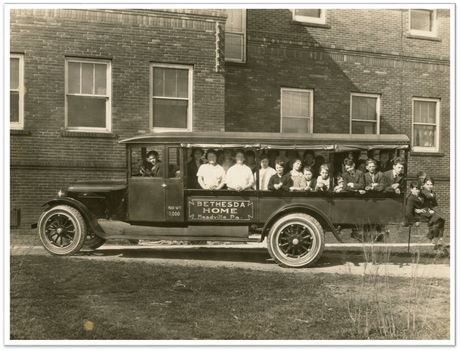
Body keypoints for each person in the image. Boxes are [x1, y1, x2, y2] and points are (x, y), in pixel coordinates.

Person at [421, 177, 446, 246]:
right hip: (423, 210)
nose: (429, 186)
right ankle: (433, 237)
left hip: (430, 210)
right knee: (437, 218)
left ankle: (440, 239)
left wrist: (440, 212)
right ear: (424, 185)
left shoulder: (433, 193)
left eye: (431, 184)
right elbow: (425, 199)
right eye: (428, 184)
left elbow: (435, 204)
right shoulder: (422, 191)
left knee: (442, 218)